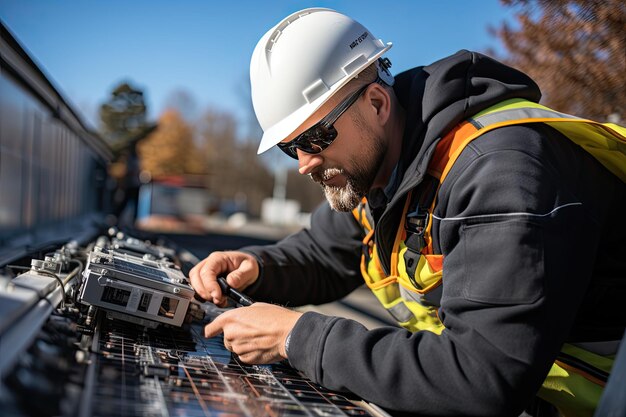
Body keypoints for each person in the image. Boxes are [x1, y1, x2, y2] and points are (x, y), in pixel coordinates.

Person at [190, 8, 626, 417]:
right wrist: (258, 266)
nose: (304, 162)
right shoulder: (381, 174)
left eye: (316, 138)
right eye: (291, 147)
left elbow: (484, 377)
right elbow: (325, 252)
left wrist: (294, 336)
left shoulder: (501, 172)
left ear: (377, 104)